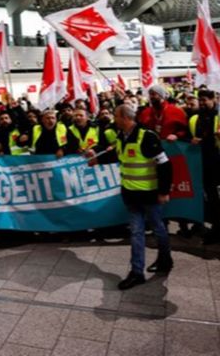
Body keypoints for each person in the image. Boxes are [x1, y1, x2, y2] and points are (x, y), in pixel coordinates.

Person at [90, 104, 173, 290]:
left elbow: (165, 165)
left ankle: (165, 259)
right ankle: (137, 272)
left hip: (149, 195)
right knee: (136, 233)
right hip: (131, 195)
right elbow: (119, 156)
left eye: (116, 116)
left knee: (159, 229)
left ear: (125, 117)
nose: (114, 120)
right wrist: (97, 160)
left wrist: (164, 191)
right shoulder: (122, 137)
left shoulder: (147, 136)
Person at [189, 90, 220, 244]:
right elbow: (189, 136)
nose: (201, 103)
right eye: (199, 100)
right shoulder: (195, 118)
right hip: (205, 163)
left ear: (213, 99)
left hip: (218, 160)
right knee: (212, 197)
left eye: (204, 100)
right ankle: (216, 228)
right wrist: (192, 139)